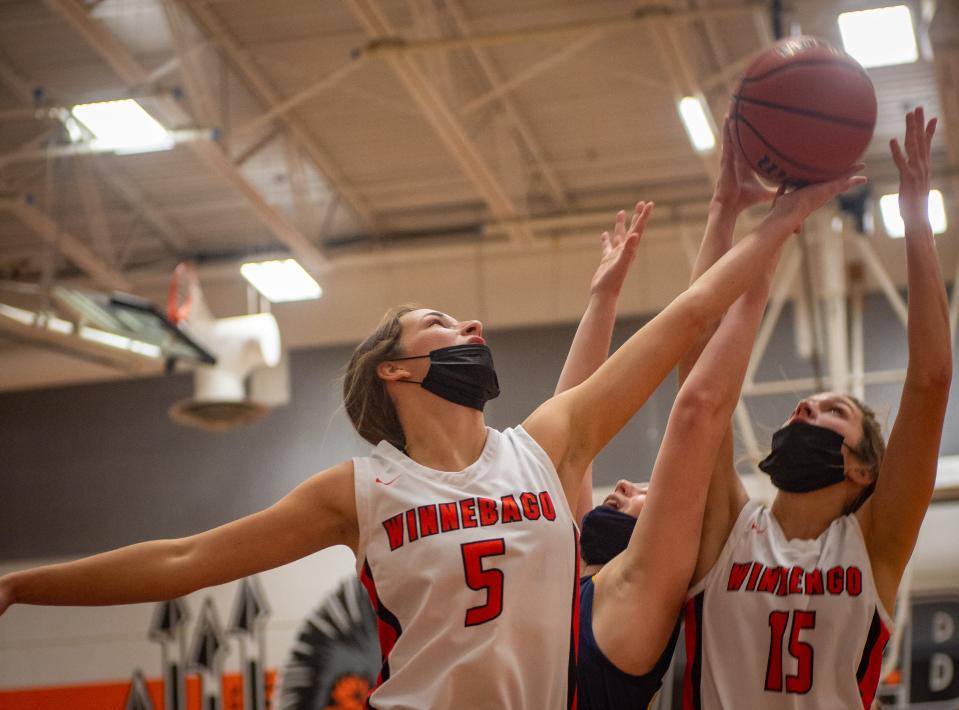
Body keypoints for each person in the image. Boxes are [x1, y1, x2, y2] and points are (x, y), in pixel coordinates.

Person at [0, 166, 863, 709]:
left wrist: (784, 219)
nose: (473, 325)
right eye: (442, 324)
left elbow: (689, 324)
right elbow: (187, 562)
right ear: (396, 371)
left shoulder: (544, 441)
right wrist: (22, 587)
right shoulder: (359, 491)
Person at [682, 107, 951, 709]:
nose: (805, 403)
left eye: (833, 412)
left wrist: (915, 223)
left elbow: (931, 381)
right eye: (809, 404)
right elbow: (696, 372)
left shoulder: (874, 543)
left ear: (862, 469)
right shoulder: (728, 525)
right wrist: (725, 211)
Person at [555, 117, 784, 709]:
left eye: (645, 498)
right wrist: (721, 213)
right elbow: (570, 431)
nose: (623, 483)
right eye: (634, 491)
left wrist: (773, 240)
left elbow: (699, 403)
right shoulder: (568, 569)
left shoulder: (641, 586)